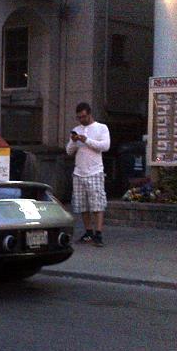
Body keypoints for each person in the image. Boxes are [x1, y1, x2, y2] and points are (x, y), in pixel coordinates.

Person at [66, 102, 110, 247]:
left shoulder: (101, 128)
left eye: (83, 117)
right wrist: (73, 142)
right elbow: (69, 151)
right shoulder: (76, 129)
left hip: (95, 171)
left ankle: (98, 233)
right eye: (79, 117)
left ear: (89, 114)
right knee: (82, 205)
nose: (81, 120)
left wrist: (86, 140)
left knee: (97, 204)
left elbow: (105, 146)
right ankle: (88, 231)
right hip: (79, 172)